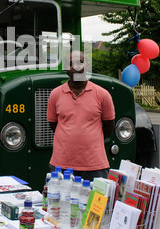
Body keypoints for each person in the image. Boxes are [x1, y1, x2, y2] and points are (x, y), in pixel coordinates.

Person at [47, 50, 115, 180]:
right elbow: (54, 124)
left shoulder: (103, 94)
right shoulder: (55, 94)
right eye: (71, 63)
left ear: (87, 66)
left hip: (95, 166)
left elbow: (109, 125)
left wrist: (91, 139)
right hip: (61, 165)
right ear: (66, 68)